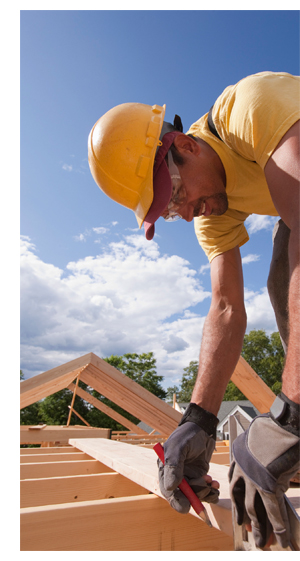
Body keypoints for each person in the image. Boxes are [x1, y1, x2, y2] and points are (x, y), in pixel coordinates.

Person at [88, 72, 300, 549]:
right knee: (282, 277)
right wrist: (198, 420)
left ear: (186, 144)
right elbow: (226, 309)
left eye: (176, 195)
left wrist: (287, 418)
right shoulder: (212, 209)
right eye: (167, 211)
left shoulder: (252, 106)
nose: (183, 213)